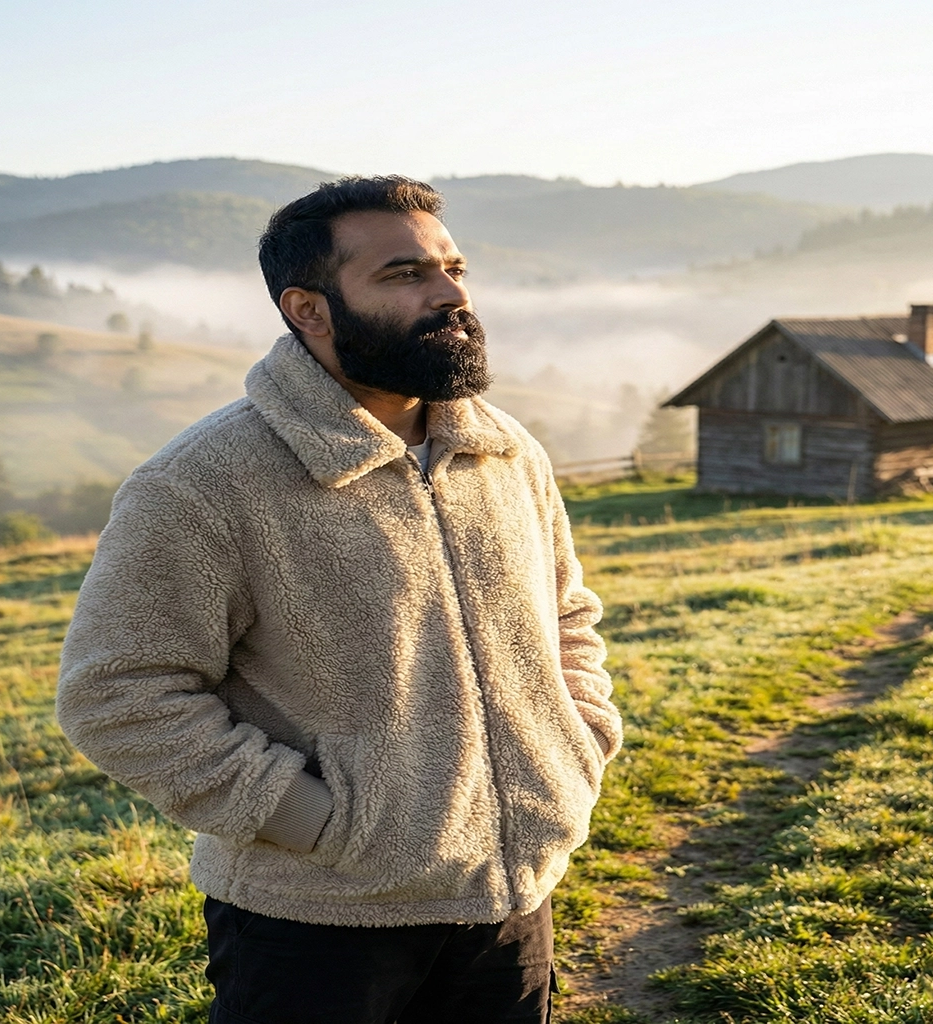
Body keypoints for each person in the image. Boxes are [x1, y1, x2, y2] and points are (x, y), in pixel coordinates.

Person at [56, 175, 622, 1024]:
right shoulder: (204, 482)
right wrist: (320, 823)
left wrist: (578, 743)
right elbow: (116, 694)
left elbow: (566, 618)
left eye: (453, 266)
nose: (450, 294)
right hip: (313, 928)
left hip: (510, 901)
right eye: (404, 275)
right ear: (309, 310)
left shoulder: (507, 453)